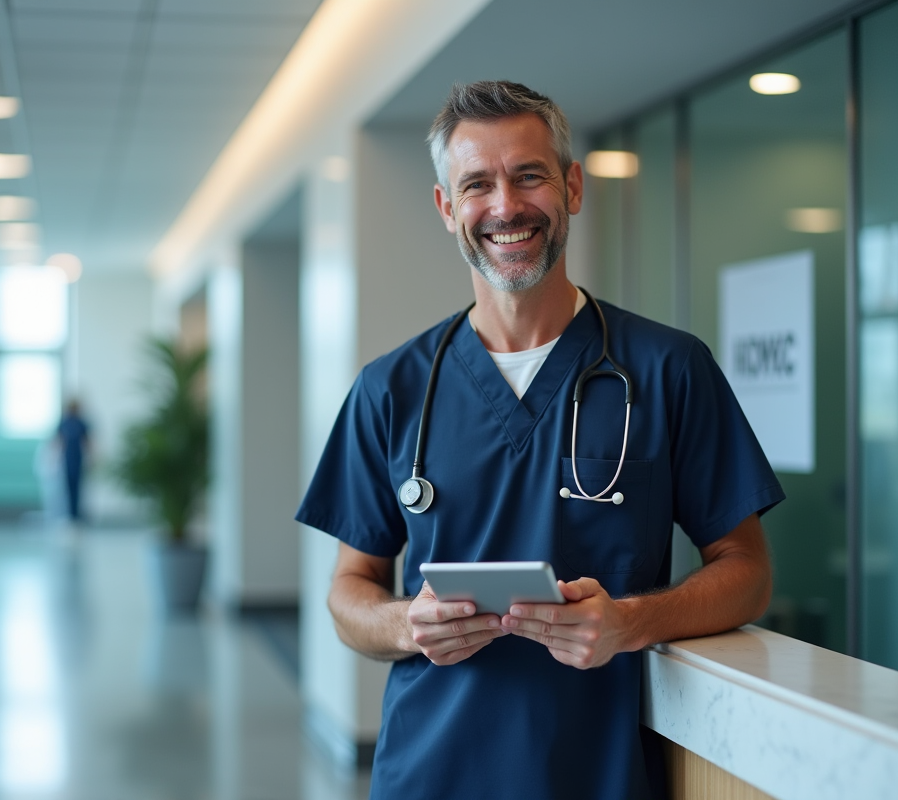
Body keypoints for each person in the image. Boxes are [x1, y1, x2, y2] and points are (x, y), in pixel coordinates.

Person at [295, 81, 783, 800]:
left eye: (529, 176)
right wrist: (405, 624)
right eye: (477, 185)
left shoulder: (668, 369)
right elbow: (348, 594)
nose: (505, 206)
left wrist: (631, 622)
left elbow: (748, 571)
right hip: (429, 773)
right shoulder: (391, 388)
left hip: (600, 775)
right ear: (447, 208)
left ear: (572, 188)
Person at [56, 398, 90, 523]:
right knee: (67, 488)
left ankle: (76, 515)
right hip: (67, 459)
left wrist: (91, 458)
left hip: (78, 459)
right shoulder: (64, 423)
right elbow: (59, 441)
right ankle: (69, 514)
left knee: (78, 488)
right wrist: (55, 458)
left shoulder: (81, 423)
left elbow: (86, 442)